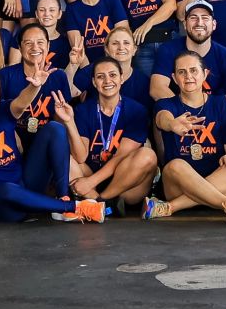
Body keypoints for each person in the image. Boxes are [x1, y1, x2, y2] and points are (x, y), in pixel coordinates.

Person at [0, 70, 106, 225]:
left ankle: (63, 201)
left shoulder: (4, 110)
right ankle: (73, 207)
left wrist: (35, 86)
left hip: (24, 187)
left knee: (55, 128)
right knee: (8, 189)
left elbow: (21, 102)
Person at [142, 51, 226, 225]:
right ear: (174, 77)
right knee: (175, 165)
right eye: (182, 72)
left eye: (194, 70)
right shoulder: (167, 104)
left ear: (205, 74)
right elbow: (161, 118)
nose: (188, 76)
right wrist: (172, 124)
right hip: (180, 185)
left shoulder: (219, 103)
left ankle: (170, 207)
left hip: (218, 179)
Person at [64, 57, 158, 212]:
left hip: (124, 182)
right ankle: (102, 205)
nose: (107, 81)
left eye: (113, 75)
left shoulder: (137, 110)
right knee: (64, 157)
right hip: (89, 174)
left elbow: (121, 156)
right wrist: (69, 122)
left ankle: (102, 202)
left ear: (122, 78)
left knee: (148, 155)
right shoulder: (83, 110)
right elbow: (80, 157)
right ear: (94, 82)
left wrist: (90, 183)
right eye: (101, 77)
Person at [150, 0, 226, 122]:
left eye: (205, 18)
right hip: (178, 118)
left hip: (214, 119)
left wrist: (221, 128)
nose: (199, 22)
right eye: (193, 18)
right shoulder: (168, 50)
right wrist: (188, 112)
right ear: (184, 24)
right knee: (160, 111)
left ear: (214, 24)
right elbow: (157, 88)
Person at [0, 23, 73, 140]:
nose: (35, 47)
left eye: (40, 42)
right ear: (20, 47)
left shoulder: (59, 76)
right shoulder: (5, 75)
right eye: (28, 43)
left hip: (46, 142)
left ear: (48, 46)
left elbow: (60, 122)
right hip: (11, 140)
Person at [69, 25, 152, 111]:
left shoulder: (143, 81)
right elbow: (68, 92)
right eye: (115, 43)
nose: (121, 47)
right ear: (107, 49)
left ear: (134, 49)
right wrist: (73, 65)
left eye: (126, 43)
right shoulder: (93, 69)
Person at [17, 0, 71, 68]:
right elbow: (13, 69)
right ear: (36, 14)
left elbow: (64, 77)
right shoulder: (22, 36)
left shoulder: (65, 43)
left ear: (59, 14)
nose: (47, 14)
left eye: (52, 10)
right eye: (42, 10)